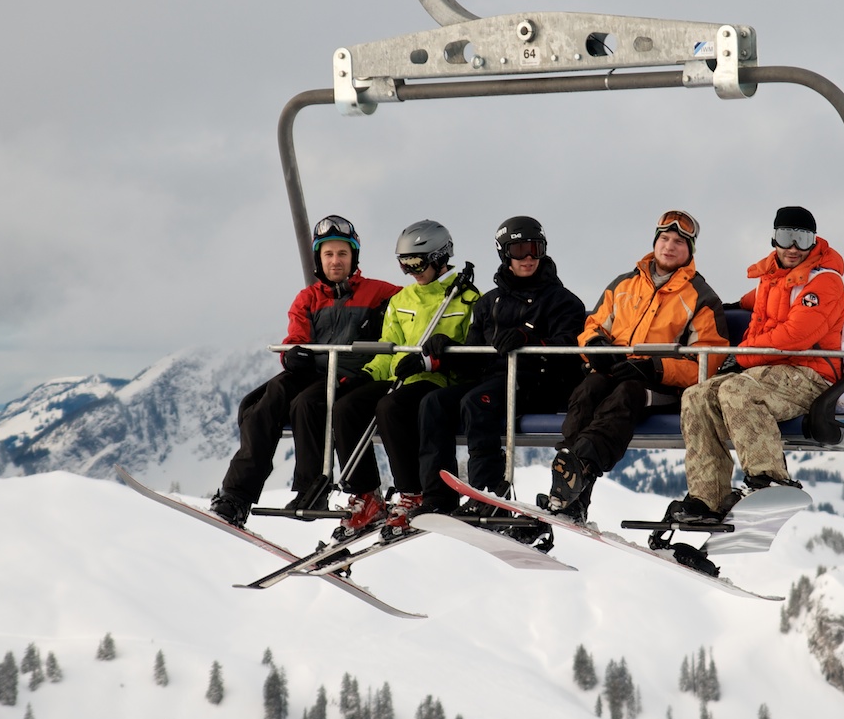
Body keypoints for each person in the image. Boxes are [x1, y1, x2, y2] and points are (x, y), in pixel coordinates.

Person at [210, 215, 400, 527]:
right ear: (318, 258)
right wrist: (293, 353)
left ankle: (313, 488)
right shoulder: (309, 298)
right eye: (329, 254)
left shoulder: (379, 293)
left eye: (342, 254)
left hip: (348, 374)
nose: (335, 261)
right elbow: (296, 335)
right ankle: (237, 495)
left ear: (353, 257)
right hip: (313, 370)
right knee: (256, 405)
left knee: (306, 404)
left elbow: (414, 308)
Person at [546, 210, 728, 521]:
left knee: (627, 394)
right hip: (614, 371)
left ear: (690, 250)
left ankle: (575, 471)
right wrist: (595, 347)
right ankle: (572, 490)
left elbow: (706, 361)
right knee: (588, 389)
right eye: (664, 239)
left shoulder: (700, 297)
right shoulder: (625, 284)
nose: (669, 247)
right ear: (655, 242)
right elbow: (593, 326)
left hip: (661, 386)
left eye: (679, 242)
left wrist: (655, 368)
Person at [671, 206, 844, 524]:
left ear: (814, 242)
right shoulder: (773, 277)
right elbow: (765, 297)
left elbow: (795, 336)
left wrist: (740, 356)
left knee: (739, 390)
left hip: (813, 376)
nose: (793, 247)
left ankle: (769, 480)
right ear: (774, 239)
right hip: (771, 373)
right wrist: (733, 306)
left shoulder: (824, 284)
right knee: (696, 396)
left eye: (802, 239)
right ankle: (708, 497)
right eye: (786, 237)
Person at [416, 216, 587, 514]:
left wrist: (529, 340)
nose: (529, 258)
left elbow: (570, 349)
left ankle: (489, 493)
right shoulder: (489, 303)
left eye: (535, 249)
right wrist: (446, 350)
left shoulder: (562, 301)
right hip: (494, 380)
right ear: (504, 254)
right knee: (434, 403)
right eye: (520, 250)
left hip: (541, 382)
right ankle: (438, 497)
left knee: (477, 402)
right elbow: (474, 359)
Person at [330, 219, 479, 536]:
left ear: (440, 257)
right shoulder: (402, 300)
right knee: (346, 407)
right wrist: (365, 375)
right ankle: (365, 494)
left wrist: (438, 357)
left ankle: (413, 492)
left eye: (417, 263)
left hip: (439, 381)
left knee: (391, 407)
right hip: (403, 377)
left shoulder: (466, 299)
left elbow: (473, 352)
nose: (412, 272)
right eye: (404, 265)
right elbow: (388, 352)